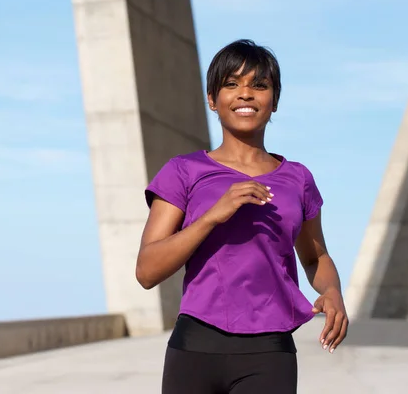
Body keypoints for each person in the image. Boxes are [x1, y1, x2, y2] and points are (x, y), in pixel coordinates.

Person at [135, 39, 349, 394]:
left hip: (269, 351)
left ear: (274, 101)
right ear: (212, 100)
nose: (245, 94)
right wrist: (211, 216)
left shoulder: (298, 178)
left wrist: (332, 291)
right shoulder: (183, 172)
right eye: (231, 84)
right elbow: (146, 271)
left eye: (259, 85)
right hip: (195, 347)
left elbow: (315, 256)